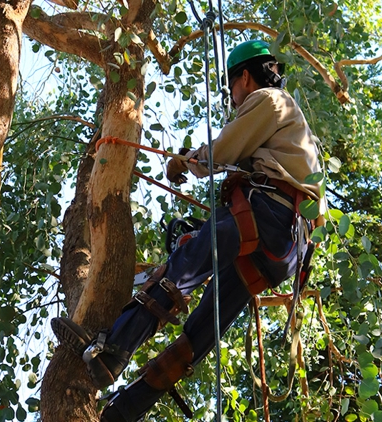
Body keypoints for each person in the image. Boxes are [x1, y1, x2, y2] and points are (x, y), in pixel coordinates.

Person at [51, 39, 322, 422]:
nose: (232, 96)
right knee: (204, 327)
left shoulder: (270, 101)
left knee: (186, 260)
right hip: (284, 247)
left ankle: (114, 350)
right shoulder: (292, 130)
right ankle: (126, 409)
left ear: (244, 77)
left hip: (268, 215)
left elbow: (223, 150)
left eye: (232, 86)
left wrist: (185, 163)